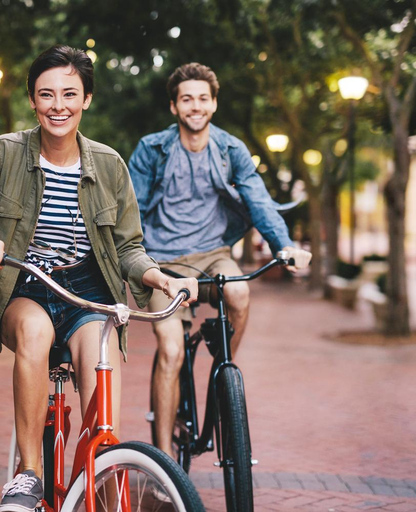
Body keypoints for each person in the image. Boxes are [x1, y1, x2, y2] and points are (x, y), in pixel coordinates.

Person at [0, 45, 198, 512]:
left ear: (87, 99)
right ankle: (28, 475)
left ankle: (100, 475)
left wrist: (158, 277)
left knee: (99, 383)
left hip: (87, 290)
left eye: (70, 94)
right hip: (22, 284)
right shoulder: (3, 151)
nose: (58, 105)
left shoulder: (110, 165)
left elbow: (129, 247)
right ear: (32, 100)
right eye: (46, 94)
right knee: (35, 330)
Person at [127, 62, 312, 457]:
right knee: (171, 351)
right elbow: (132, 213)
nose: (196, 106)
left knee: (241, 295)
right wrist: (136, 263)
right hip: (164, 263)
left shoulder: (230, 150)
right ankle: (164, 465)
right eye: (186, 99)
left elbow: (259, 201)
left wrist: (284, 245)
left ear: (214, 104)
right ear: (174, 107)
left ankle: (220, 372)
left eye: (203, 99)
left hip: (214, 255)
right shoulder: (151, 149)